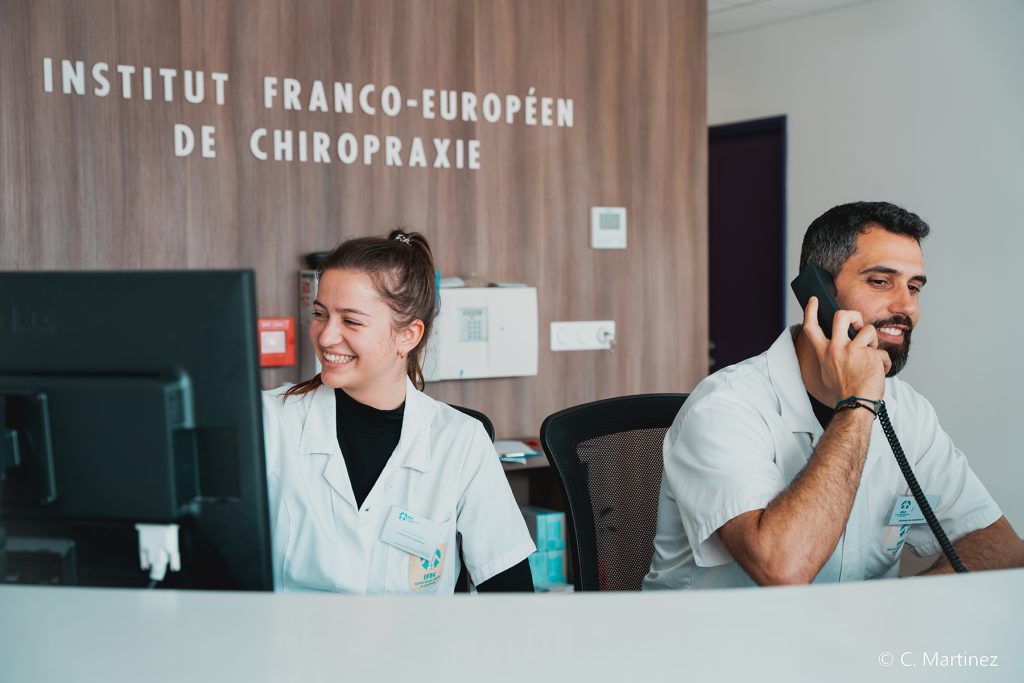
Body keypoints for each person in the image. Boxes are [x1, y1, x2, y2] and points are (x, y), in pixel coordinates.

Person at [644, 201, 1024, 589]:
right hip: (720, 645)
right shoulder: (724, 407)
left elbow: (1003, 548)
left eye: (913, 287)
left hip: (847, 644)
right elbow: (783, 569)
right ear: (817, 292)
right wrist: (858, 404)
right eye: (880, 281)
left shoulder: (908, 411)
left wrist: (897, 608)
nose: (905, 306)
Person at [262, 229, 536, 593]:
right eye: (320, 314)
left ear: (408, 335)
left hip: (416, 647)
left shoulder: (459, 440)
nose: (326, 337)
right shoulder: (269, 421)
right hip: (291, 645)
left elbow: (510, 596)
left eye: (351, 321)